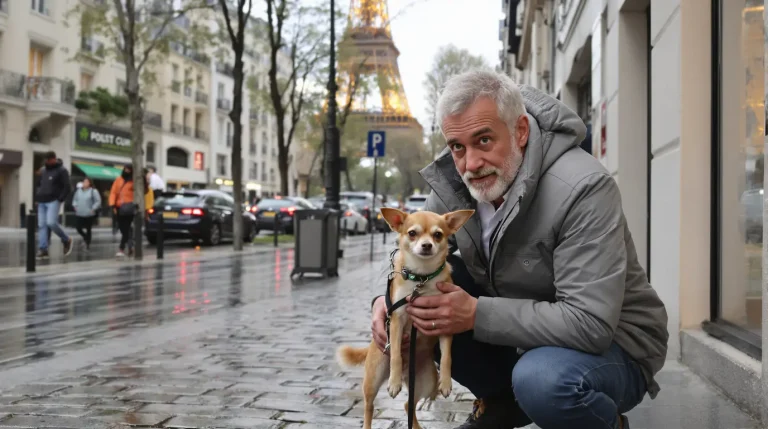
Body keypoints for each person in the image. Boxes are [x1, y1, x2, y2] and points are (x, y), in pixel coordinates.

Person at [370, 70, 669, 429]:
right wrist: (387, 299)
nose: (470, 164)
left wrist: (475, 314)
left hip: (615, 348)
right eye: (457, 147)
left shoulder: (584, 187)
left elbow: (591, 325)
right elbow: (411, 251)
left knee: (542, 382)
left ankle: (605, 421)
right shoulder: (456, 185)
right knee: (431, 286)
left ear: (521, 131)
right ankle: (500, 403)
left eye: (484, 140)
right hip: (519, 335)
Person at [35, 151, 73, 259]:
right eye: (45, 160)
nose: (46, 162)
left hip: (53, 200)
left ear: (53, 159)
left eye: (48, 160)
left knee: (51, 223)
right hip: (42, 201)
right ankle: (43, 249)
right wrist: (37, 197)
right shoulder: (43, 170)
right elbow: (39, 184)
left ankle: (66, 239)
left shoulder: (62, 170)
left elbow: (67, 186)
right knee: (42, 225)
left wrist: (60, 199)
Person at [109, 164, 152, 257]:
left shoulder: (134, 182)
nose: (126, 171)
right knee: (123, 229)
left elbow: (144, 191)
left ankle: (122, 248)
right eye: (125, 169)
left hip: (129, 207)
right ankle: (130, 245)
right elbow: (113, 192)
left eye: (128, 169)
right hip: (119, 207)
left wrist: (144, 180)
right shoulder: (118, 180)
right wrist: (112, 204)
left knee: (126, 228)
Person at [71, 177, 101, 251]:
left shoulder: (93, 191)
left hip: (89, 213)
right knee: (78, 228)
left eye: (87, 182)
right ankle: (85, 237)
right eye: (84, 182)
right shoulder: (78, 191)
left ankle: (87, 243)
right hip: (79, 212)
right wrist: (75, 206)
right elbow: (75, 200)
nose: (85, 183)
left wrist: (93, 208)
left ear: (90, 183)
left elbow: (98, 201)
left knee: (88, 229)